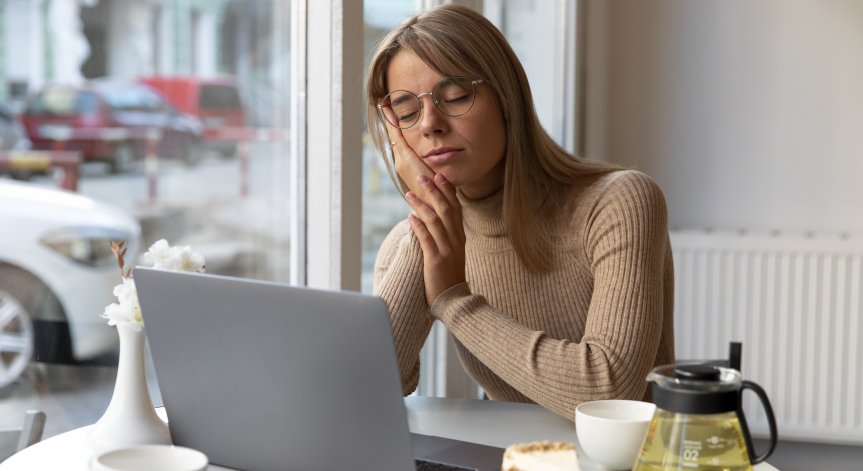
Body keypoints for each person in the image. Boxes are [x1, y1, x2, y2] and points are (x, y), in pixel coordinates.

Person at [365, 4, 674, 421]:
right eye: (406, 112)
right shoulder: (416, 241)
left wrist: (453, 301)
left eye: (455, 95)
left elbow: (609, 391)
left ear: (507, 96)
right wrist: (427, 206)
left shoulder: (618, 202)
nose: (430, 125)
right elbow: (368, 387)